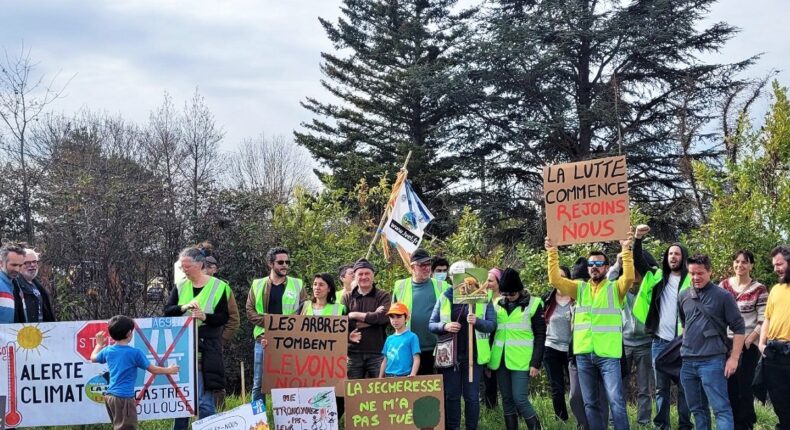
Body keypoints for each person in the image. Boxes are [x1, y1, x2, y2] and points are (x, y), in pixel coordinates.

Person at [546, 229, 634, 430]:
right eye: (591, 264)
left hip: (608, 355)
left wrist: (626, 248)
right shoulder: (580, 289)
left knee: (616, 402)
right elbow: (555, 280)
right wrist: (552, 251)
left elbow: (628, 277)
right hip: (584, 354)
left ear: (606, 267)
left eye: (598, 264)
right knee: (590, 403)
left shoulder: (615, 288)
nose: (594, 267)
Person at [631, 224, 693, 430]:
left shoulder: (692, 280)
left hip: (683, 342)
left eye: (677, 254)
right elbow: (638, 260)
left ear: (683, 257)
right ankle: (662, 425)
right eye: (670, 254)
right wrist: (637, 239)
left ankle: (685, 425)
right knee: (660, 388)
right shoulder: (657, 277)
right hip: (659, 342)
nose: (673, 257)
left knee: (685, 386)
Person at [164, 246, 232, 428]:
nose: (184, 270)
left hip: (206, 351)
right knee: (182, 403)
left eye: (187, 266)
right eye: (182, 267)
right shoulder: (179, 286)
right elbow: (167, 312)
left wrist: (205, 317)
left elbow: (224, 317)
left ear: (200, 264)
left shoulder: (220, 287)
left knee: (205, 403)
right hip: (183, 350)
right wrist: (184, 307)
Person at [678, 254, 745, 430]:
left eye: (700, 273)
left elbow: (739, 328)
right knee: (697, 410)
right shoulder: (683, 295)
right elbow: (685, 325)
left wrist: (734, 358)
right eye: (692, 273)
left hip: (713, 361)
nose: (695, 277)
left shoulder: (723, 296)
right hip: (688, 363)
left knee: (721, 409)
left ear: (710, 271)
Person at [429, 271, 496, 430]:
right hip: (450, 357)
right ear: (452, 279)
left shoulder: (483, 297)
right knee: (452, 396)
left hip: (474, 357)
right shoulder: (445, 297)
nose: (462, 283)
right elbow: (431, 324)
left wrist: (477, 321)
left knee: (472, 397)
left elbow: (492, 325)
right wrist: (445, 326)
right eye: (456, 278)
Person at [91, 315, 179, 430]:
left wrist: (98, 345)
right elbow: (153, 369)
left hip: (110, 397)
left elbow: (93, 358)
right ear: (129, 333)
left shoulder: (108, 350)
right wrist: (169, 370)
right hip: (124, 398)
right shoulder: (134, 353)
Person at [245, 246, 307, 404]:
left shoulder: (298, 284)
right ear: (270, 264)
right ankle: (259, 425)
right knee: (259, 384)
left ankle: (287, 421)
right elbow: (250, 311)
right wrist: (271, 325)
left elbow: (305, 310)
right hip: (263, 339)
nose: (285, 265)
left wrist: (283, 327)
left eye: (287, 262)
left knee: (289, 382)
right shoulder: (257, 284)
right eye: (280, 262)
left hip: (289, 341)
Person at [489, 268, 546, 430]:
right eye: (504, 294)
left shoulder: (534, 304)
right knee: (506, 399)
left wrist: (536, 363)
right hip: (499, 360)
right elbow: (492, 334)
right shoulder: (496, 304)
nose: (507, 298)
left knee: (520, 398)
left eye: (511, 294)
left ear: (520, 290)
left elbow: (540, 336)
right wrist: (489, 361)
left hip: (523, 360)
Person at [720, 250, 767, 430]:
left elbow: (763, 320)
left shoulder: (759, 289)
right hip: (726, 343)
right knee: (729, 386)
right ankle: (730, 422)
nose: (740, 265)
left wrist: (749, 340)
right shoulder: (723, 285)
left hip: (748, 344)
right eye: (737, 261)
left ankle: (745, 423)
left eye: (745, 262)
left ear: (751, 265)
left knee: (744, 387)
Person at [609, 253, 655, 426]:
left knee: (645, 388)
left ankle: (644, 422)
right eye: (631, 267)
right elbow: (608, 282)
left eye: (638, 268)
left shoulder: (649, 287)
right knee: (618, 386)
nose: (635, 272)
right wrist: (617, 262)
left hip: (646, 343)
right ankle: (615, 422)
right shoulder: (621, 288)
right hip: (624, 342)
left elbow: (658, 274)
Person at [392, 248, 445, 374]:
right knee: (414, 390)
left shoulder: (442, 285)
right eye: (422, 265)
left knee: (439, 389)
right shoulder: (400, 286)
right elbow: (394, 315)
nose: (427, 268)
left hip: (437, 347)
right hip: (410, 348)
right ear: (412, 267)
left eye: (428, 264)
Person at [342, 258, 391, 379]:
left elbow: (384, 318)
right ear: (355, 276)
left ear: (373, 275)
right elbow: (343, 323)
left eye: (367, 273)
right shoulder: (346, 298)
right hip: (353, 354)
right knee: (353, 393)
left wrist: (353, 315)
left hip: (378, 353)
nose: (364, 277)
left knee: (379, 391)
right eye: (360, 274)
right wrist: (373, 318)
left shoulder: (383, 295)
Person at [758, 245, 790, 429]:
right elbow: (767, 319)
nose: (776, 268)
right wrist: (762, 344)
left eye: (780, 264)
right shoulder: (776, 289)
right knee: (780, 404)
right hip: (774, 354)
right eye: (774, 265)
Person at [542, 266, 578, 424]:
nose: (559, 280)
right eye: (556, 277)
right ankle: (561, 420)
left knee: (576, 389)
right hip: (551, 348)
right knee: (557, 388)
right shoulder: (547, 299)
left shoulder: (576, 298)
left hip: (572, 349)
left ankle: (581, 419)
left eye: (562, 276)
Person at [13, 247, 55, 323]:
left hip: (39, 332)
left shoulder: (38, 286)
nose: (32, 265)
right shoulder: (15, 285)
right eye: (27, 262)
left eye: (34, 261)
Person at [379, 302, 421, 377]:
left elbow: (416, 358)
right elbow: (385, 360)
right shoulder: (389, 339)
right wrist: (380, 378)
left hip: (405, 376)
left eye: (398, 317)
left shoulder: (412, 337)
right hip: (388, 376)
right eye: (392, 317)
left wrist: (413, 374)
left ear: (406, 318)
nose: (395, 320)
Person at [482, 267, 502, 410]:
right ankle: (491, 407)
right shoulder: (483, 298)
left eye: (491, 280)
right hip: (485, 342)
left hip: (499, 342)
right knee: (488, 379)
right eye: (486, 280)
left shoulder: (504, 300)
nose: (487, 283)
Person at [0, 243, 25, 323]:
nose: (17, 269)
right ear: (1, 263)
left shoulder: (17, 286)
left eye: (20, 265)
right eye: (13, 265)